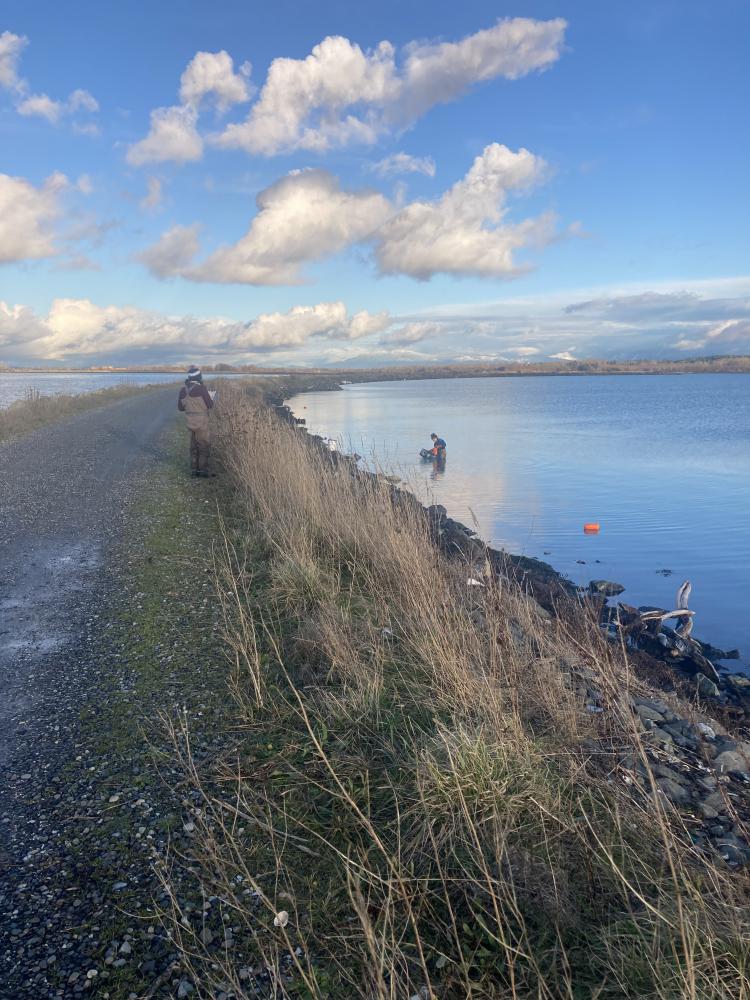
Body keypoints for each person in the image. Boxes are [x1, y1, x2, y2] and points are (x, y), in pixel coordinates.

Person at [178, 366, 215, 477]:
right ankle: (203, 471)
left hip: (190, 422)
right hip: (202, 422)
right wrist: (211, 397)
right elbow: (210, 405)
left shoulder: (183, 390)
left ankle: (194, 470)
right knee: (203, 445)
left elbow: (180, 408)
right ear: (199, 377)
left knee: (193, 446)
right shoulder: (202, 389)